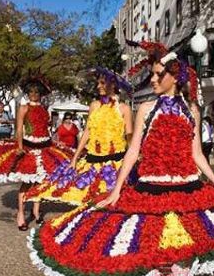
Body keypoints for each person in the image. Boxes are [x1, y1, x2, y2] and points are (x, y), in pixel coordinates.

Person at [28, 42, 214, 276]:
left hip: (187, 194)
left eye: (159, 74)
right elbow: (133, 150)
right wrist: (115, 190)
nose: (153, 79)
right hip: (149, 194)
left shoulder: (193, 110)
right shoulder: (147, 108)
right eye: (152, 73)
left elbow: (197, 153)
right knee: (155, 272)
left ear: (176, 77)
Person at [0, 75, 73, 231]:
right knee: (27, 182)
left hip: (45, 146)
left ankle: (36, 211)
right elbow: (20, 129)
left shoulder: (44, 109)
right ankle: (21, 213)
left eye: (37, 91)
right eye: (31, 91)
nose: (34, 94)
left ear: (41, 93)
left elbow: (45, 129)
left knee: (41, 181)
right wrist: (20, 147)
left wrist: (54, 142)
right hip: (28, 147)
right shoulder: (24, 107)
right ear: (28, 93)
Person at [26, 67, 133, 205]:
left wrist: (134, 159)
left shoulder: (124, 108)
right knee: (86, 199)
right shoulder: (94, 105)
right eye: (98, 83)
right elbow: (87, 132)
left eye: (102, 83)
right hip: (93, 161)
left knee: (112, 201)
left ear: (113, 84)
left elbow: (129, 135)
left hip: (116, 163)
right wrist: (75, 158)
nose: (98, 86)